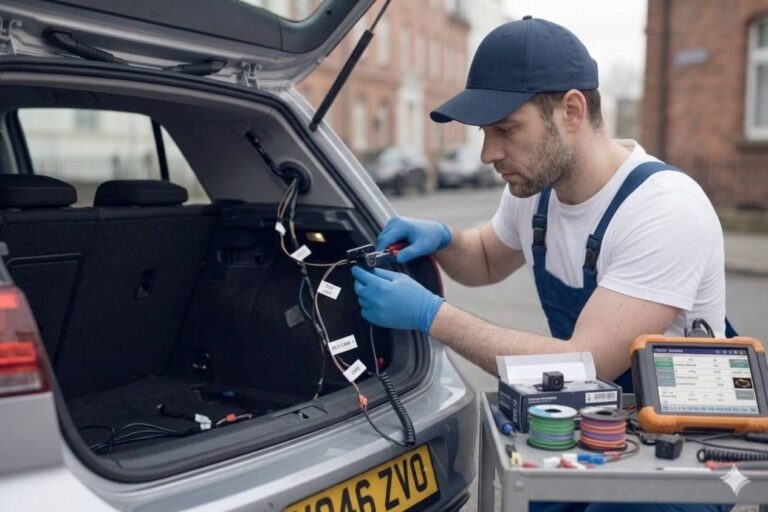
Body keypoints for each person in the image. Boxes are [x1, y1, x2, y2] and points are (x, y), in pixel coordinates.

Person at [351, 16, 732, 512]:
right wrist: (443, 240)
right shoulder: (535, 192)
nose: (488, 153)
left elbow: (586, 365)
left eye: (506, 129)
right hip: (581, 428)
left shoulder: (664, 209)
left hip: (681, 457)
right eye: (485, 132)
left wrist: (432, 316)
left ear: (571, 111)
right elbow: (485, 259)